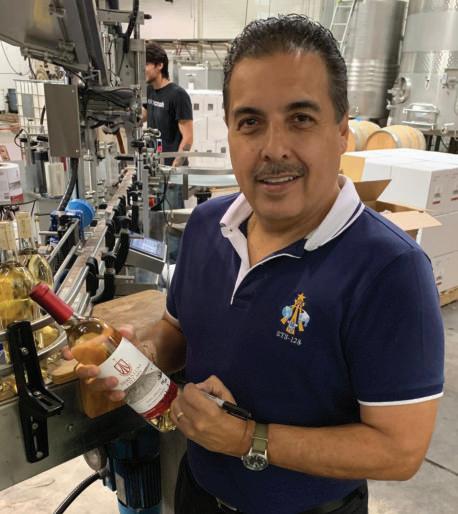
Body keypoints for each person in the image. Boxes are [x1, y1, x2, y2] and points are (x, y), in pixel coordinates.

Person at [76, 15, 444, 514]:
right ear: (229, 132)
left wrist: (249, 439)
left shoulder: (390, 270)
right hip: (198, 494)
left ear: (341, 132)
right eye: (250, 122)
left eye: (301, 119)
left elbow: (399, 450)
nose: (273, 149)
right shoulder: (206, 226)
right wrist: (145, 352)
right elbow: (178, 331)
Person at [143, 41, 193, 167]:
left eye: (146, 64)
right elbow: (144, 115)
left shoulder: (178, 95)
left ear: (160, 65)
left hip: (171, 170)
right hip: (153, 165)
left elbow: (188, 138)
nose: (142, 69)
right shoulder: (149, 90)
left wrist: (175, 167)